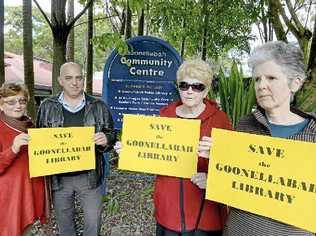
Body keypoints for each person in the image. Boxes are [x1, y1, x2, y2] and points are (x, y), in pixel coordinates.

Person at [115, 59, 232, 235]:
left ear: (206, 90)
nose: (189, 91)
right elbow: (151, 153)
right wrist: (130, 151)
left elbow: (232, 166)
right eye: (184, 85)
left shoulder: (220, 120)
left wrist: (212, 177)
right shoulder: (165, 116)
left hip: (204, 211)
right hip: (169, 206)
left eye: (197, 86)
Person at [224, 41, 316, 236]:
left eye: (271, 77)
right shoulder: (244, 126)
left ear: (295, 83)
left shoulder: (313, 133)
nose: (261, 86)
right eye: (257, 79)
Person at [36, 62, 116, 235]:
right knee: (65, 225)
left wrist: (106, 139)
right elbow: (39, 140)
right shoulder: (47, 106)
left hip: (90, 177)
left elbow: (111, 134)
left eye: (78, 77)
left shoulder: (98, 106)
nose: (74, 82)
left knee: (92, 223)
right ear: (60, 81)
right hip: (59, 178)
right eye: (69, 78)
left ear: (83, 79)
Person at [0, 82, 45, 236]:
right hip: (6, 199)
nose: (17, 106)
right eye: (11, 102)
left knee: (26, 231)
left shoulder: (31, 127)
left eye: (22, 101)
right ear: (1, 105)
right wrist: (13, 149)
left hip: (27, 194)